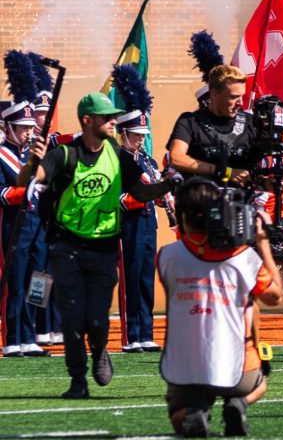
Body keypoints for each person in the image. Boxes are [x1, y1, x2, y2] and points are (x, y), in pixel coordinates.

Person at [17, 92, 175, 399]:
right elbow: (28, 180)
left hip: (104, 250)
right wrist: (33, 160)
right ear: (88, 121)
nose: (114, 121)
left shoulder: (117, 154)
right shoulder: (63, 155)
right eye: (108, 118)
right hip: (67, 248)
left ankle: (100, 348)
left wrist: (168, 184)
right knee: (73, 319)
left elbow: (141, 192)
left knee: (96, 319)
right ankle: (78, 380)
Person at [158, 177, 282, 437]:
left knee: (178, 415)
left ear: (183, 217)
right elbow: (274, 296)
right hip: (238, 370)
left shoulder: (167, 256)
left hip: (186, 369)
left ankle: (196, 409)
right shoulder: (243, 258)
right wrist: (262, 244)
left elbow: (192, 253)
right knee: (261, 380)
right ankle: (238, 402)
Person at [111, 64, 166, 353]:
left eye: (143, 134)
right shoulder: (120, 160)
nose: (140, 139)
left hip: (148, 225)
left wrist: (162, 193)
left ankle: (146, 332)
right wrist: (148, 194)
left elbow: (154, 195)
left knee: (146, 278)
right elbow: (122, 199)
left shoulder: (147, 161)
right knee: (130, 279)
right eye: (135, 135)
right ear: (123, 133)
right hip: (129, 225)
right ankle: (131, 335)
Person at [1, 98, 47, 357]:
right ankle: (13, 338)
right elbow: (2, 193)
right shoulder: (1, 156)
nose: (28, 132)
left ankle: (30, 335)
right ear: (8, 128)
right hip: (15, 225)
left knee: (39, 281)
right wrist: (24, 189)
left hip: (39, 224)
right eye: (22, 128)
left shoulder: (36, 157)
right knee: (16, 283)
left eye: (30, 127)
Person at [168, 65, 261, 188]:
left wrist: (266, 181)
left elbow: (261, 163)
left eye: (242, 96)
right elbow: (176, 158)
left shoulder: (251, 122)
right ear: (214, 93)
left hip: (241, 203)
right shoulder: (190, 121)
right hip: (200, 200)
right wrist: (226, 172)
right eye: (233, 97)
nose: (241, 103)